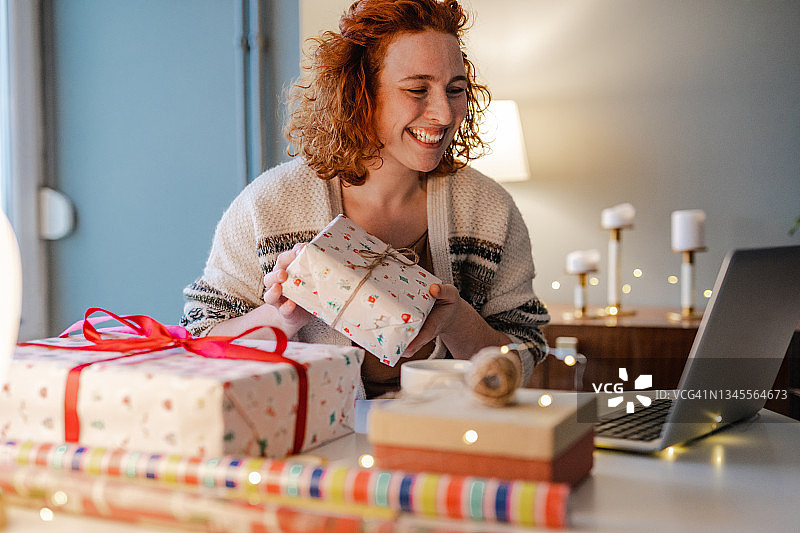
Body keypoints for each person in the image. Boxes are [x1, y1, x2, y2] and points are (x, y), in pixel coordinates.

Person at [181, 0, 550, 399]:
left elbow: (525, 353)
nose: (444, 114)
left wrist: (458, 321)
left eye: (455, 90)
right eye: (417, 90)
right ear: (360, 93)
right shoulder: (268, 206)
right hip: (314, 447)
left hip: (449, 441)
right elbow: (201, 343)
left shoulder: (488, 210)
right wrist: (284, 315)